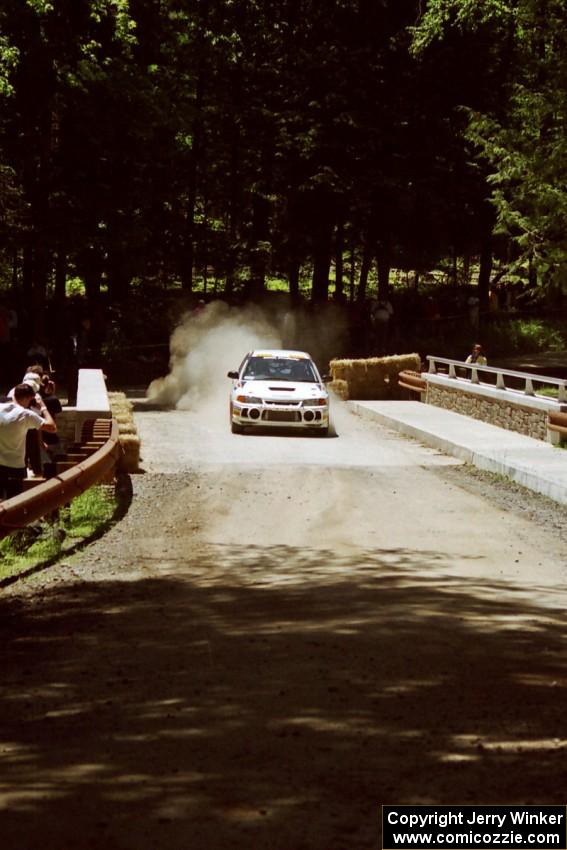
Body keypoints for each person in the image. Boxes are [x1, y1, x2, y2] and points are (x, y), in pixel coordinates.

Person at [0, 383, 57, 499]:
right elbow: (52, 427)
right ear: (27, 398)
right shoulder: (25, 415)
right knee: (14, 502)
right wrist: (42, 406)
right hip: (15, 466)